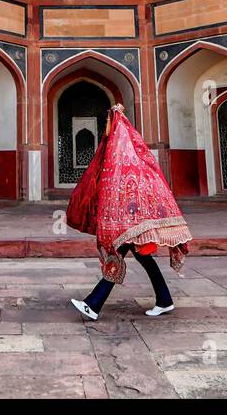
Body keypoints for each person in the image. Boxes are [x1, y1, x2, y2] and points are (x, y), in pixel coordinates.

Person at [66, 103, 192, 319]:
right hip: (131, 224)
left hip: (133, 224)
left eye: (107, 122)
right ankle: (164, 300)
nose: (104, 127)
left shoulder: (127, 161)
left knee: (120, 252)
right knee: (144, 259)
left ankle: (94, 304)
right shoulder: (118, 157)